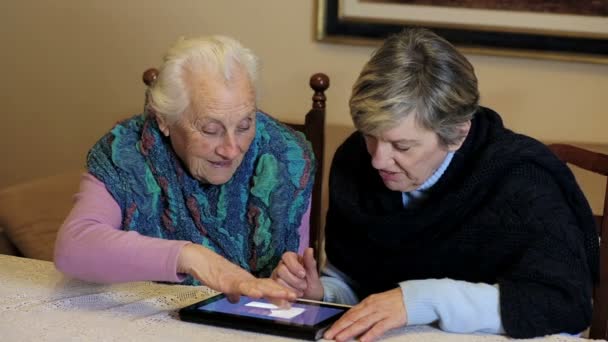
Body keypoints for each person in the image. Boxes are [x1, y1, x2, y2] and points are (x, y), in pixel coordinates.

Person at [272, 28, 599, 341]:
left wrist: (420, 300)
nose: (378, 160)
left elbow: (564, 305)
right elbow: (355, 285)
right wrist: (321, 294)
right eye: (370, 136)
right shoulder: (354, 160)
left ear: (456, 133)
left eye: (402, 147)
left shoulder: (522, 178)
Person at [54, 35, 316, 304]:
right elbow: (73, 247)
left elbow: (294, 284)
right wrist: (190, 257)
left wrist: (294, 283)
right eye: (210, 129)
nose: (231, 148)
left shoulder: (286, 158)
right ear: (165, 121)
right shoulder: (124, 155)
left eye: (244, 125)